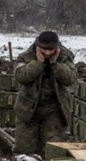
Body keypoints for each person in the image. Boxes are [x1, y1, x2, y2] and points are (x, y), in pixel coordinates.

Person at [12, 31, 77, 160]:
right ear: (38, 46)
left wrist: (54, 64)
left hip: (55, 109)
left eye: (51, 50)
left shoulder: (65, 56)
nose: (47, 53)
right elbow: (21, 76)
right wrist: (39, 63)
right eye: (44, 49)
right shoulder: (26, 56)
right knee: (24, 151)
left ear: (57, 47)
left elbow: (71, 78)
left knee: (54, 150)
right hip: (28, 109)